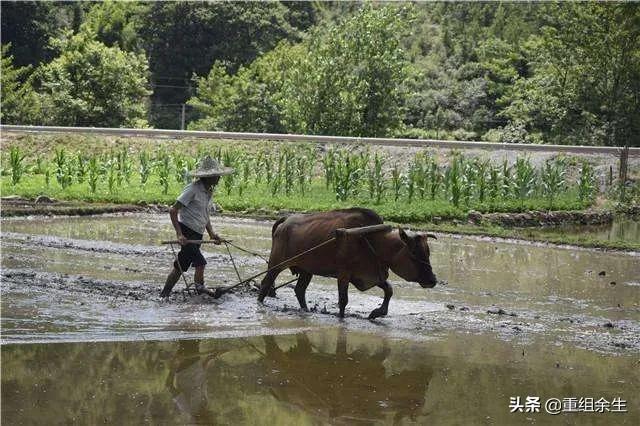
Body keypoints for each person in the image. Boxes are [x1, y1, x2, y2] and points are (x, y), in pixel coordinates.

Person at [160, 155, 234, 298]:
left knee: (180, 267)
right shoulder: (193, 189)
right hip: (187, 233)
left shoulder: (208, 191)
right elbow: (173, 210)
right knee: (200, 263)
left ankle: (164, 294)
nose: (218, 178)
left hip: (197, 235)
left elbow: (204, 215)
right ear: (207, 177)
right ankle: (201, 292)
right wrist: (179, 234)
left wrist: (212, 233)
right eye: (215, 175)